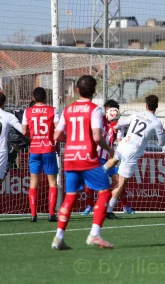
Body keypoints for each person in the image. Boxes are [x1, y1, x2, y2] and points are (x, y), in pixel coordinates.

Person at [51, 75, 114, 250]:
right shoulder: (94, 110)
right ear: (94, 91)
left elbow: (57, 136)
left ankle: (58, 237)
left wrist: (70, 140)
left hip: (70, 157)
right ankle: (94, 234)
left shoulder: (68, 109)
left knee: (70, 197)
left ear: (77, 90)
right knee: (104, 192)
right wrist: (109, 149)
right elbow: (96, 137)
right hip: (87, 157)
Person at [102, 94, 165, 218]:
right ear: (156, 107)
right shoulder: (157, 122)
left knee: (113, 160)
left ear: (146, 105)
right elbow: (161, 142)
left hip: (123, 144)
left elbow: (119, 123)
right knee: (121, 184)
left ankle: (96, 174)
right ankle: (108, 210)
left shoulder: (137, 114)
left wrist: (116, 127)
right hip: (132, 152)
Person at [81, 99, 135, 216]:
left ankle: (125, 206)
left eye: (110, 110)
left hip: (110, 159)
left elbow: (119, 140)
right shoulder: (99, 121)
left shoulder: (118, 125)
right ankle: (89, 206)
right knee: (90, 183)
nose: (108, 112)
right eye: (106, 109)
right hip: (96, 157)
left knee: (119, 181)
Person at [22, 87, 60, 223]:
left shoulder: (27, 111)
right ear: (45, 98)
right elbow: (58, 129)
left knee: (33, 182)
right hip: (49, 149)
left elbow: (23, 131)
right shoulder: (52, 110)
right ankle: (51, 214)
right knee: (52, 182)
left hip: (34, 149)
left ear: (33, 98)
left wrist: (32, 135)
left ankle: (33, 215)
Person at [0, 93, 23, 183]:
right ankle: (12, 154)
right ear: (4, 103)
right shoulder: (8, 116)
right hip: (1, 153)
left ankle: (12, 154)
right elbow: (23, 130)